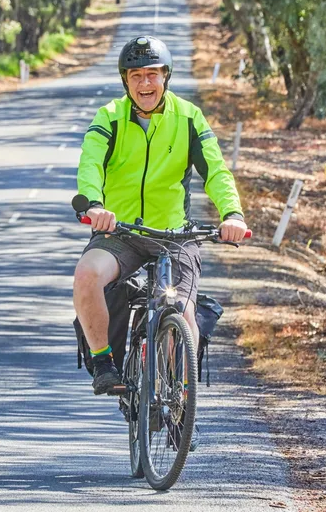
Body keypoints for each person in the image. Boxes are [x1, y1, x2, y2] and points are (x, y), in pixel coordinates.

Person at [73, 36, 248, 449]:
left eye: (152, 74)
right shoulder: (110, 117)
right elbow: (90, 164)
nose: (145, 83)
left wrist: (232, 214)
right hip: (122, 232)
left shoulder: (188, 118)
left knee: (182, 310)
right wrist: (95, 205)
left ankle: (179, 400)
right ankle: (105, 364)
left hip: (175, 236)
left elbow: (216, 171)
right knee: (86, 276)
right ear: (126, 81)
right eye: (136, 75)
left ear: (166, 77)